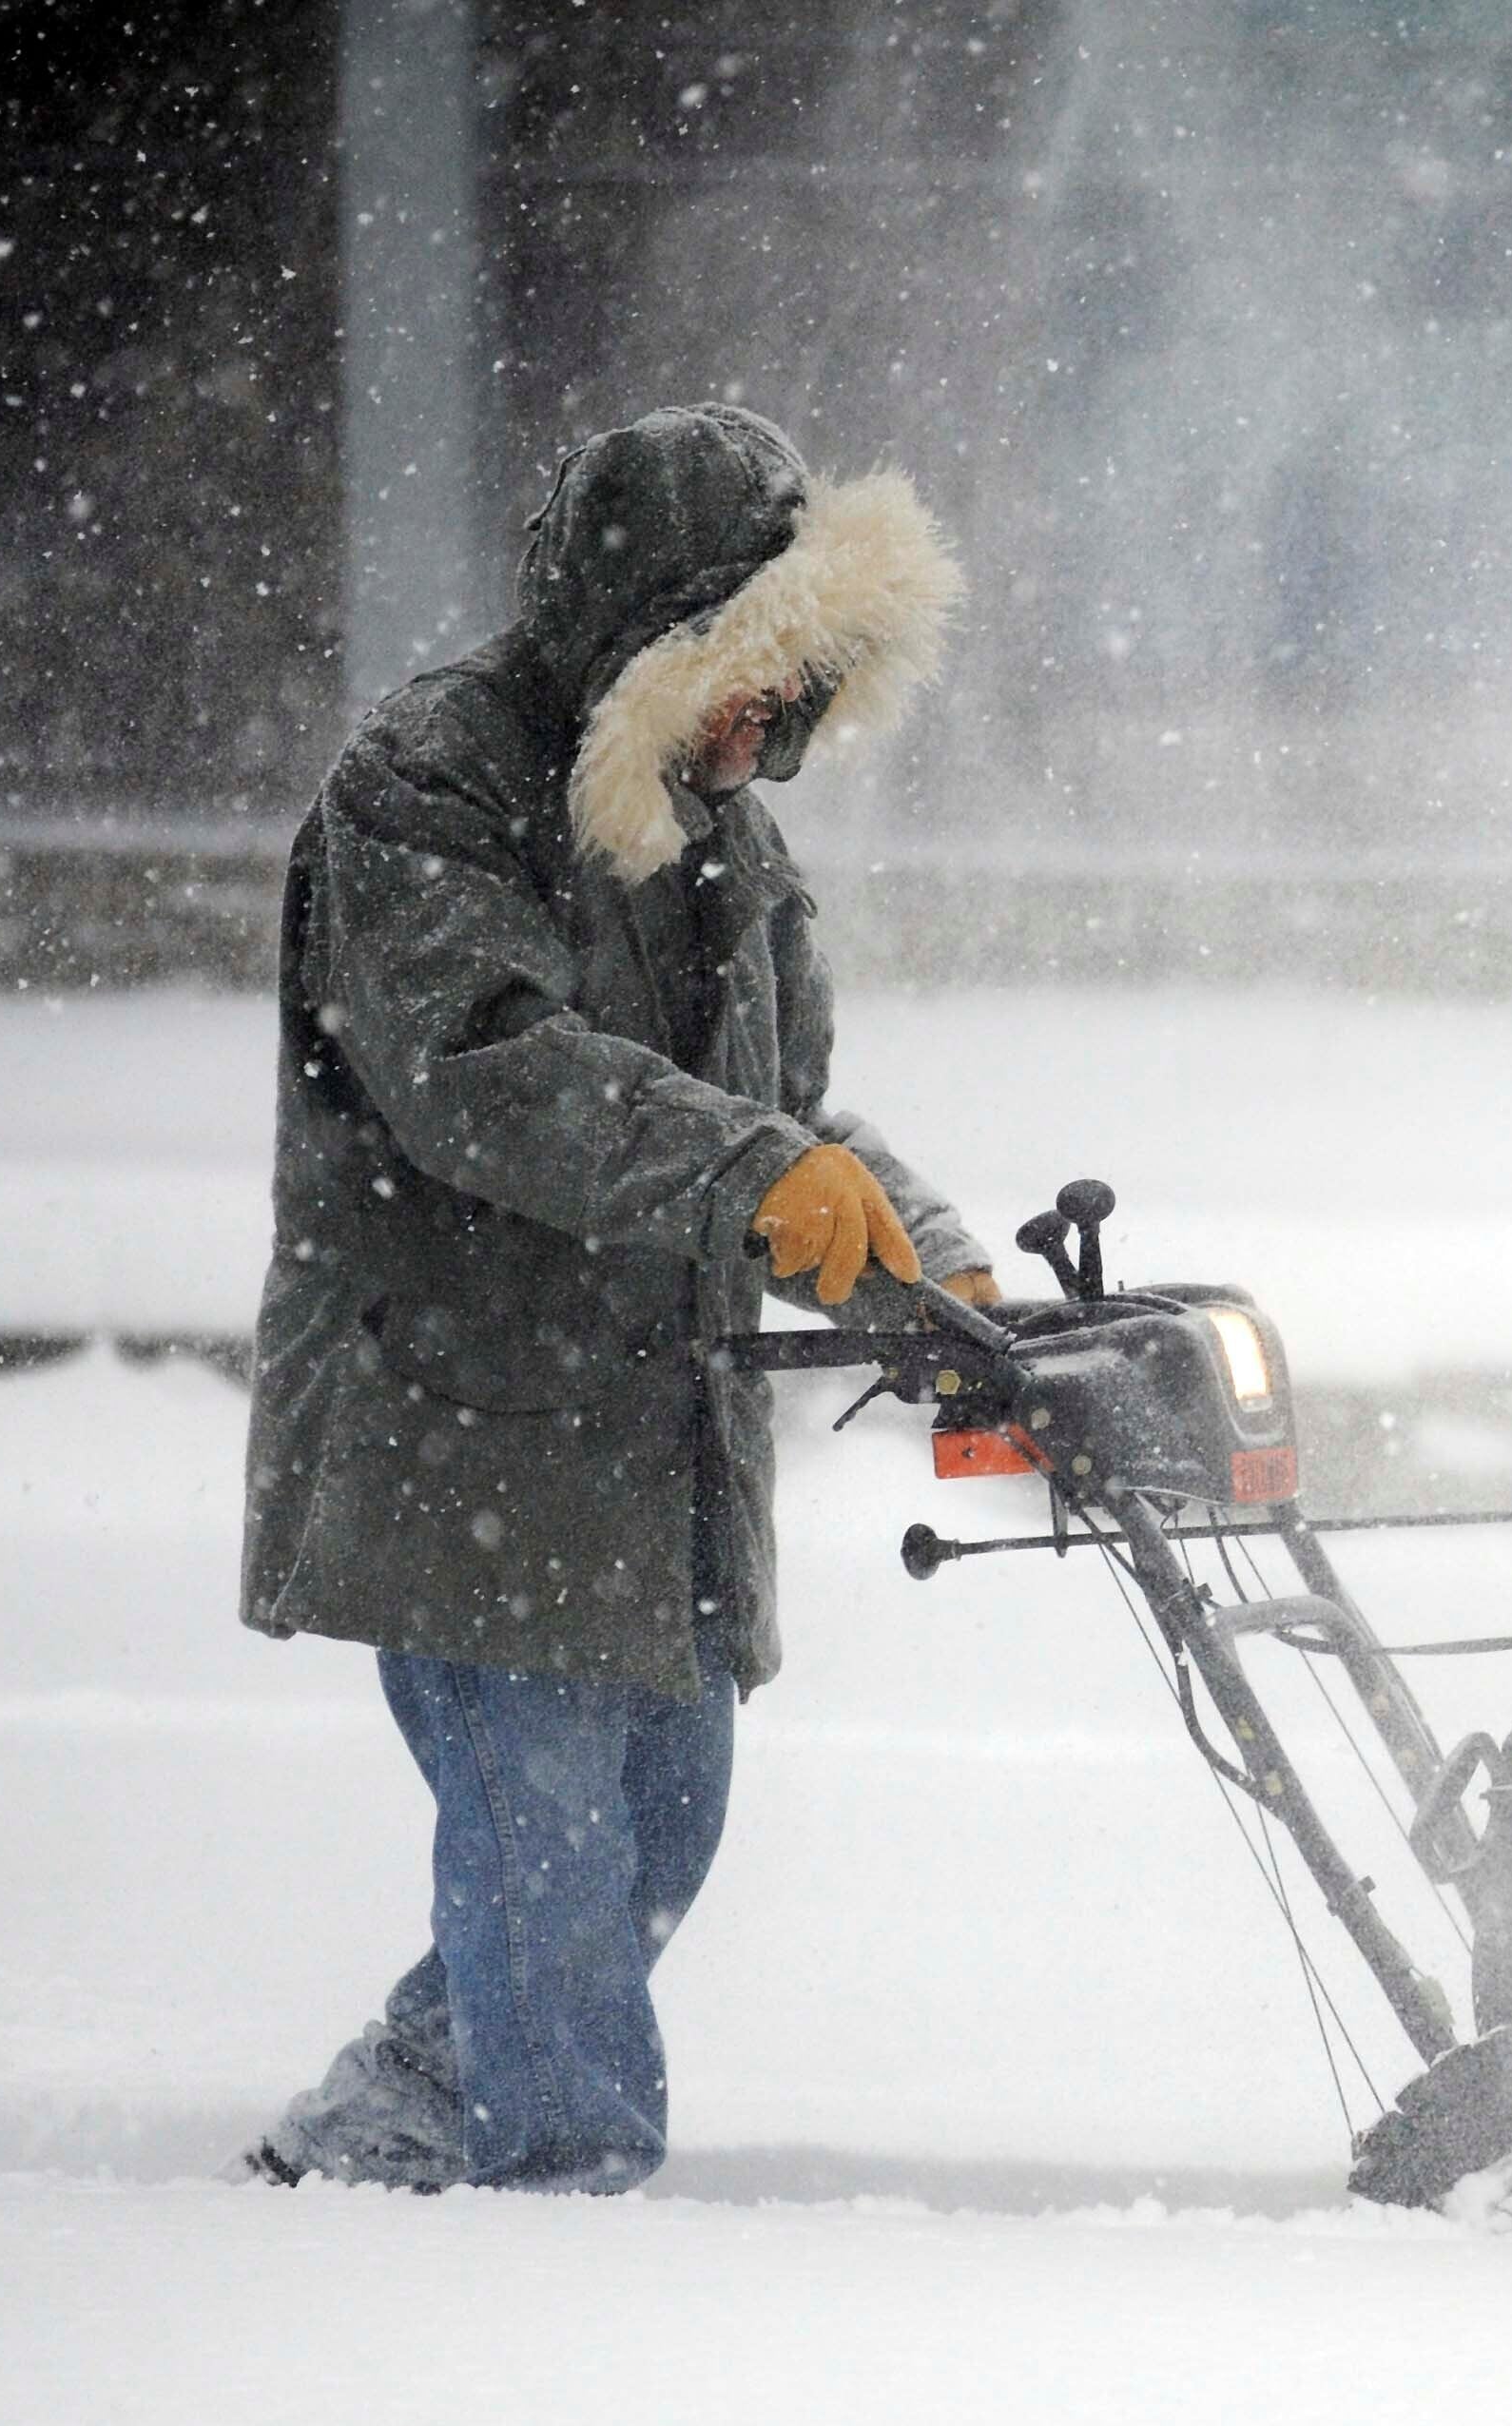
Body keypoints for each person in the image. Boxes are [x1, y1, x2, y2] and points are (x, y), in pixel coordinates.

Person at [237, 404, 994, 2194]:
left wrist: (931, 1262)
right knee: (549, 1863)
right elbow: (487, 1069)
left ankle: (391, 2118)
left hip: (644, 1444)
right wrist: (751, 1177)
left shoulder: (722, 836)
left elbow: (783, 1117)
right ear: (641, 637)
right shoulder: (434, 785)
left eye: (798, 689)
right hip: (465, 1429)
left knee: (660, 1824)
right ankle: (559, 2227)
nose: (767, 724)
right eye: (745, 676)